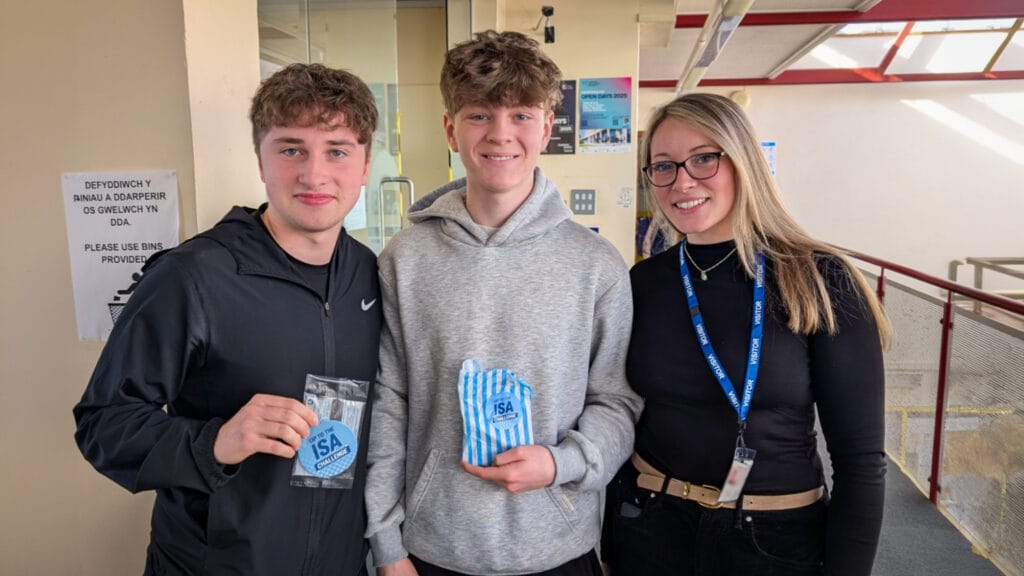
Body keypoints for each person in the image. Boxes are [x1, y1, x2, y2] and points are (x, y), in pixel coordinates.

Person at [73, 63, 382, 576]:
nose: (314, 174)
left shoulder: (369, 275)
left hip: (341, 562)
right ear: (260, 160)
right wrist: (214, 442)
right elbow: (104, 423)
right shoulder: (193, 277)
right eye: (290, 149)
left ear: (365, 164)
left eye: (337, 150)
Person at [364, 30, 642, 576]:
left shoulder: (596, 264)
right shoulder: (405, 257)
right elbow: (388, 402)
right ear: (450, 128)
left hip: (558, 546)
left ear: (546, 127)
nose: (500, 134)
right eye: (478, 115)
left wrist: (562, 463)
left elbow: (618, 402)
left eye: (520, 115)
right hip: (431, 548)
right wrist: (386, 544)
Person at [601, 93, 891, 576]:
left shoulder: (819, 280)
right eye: (664, 166)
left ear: (743, 160)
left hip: (774, 537)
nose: (682, 182)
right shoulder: (643, 283)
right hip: (649, 525)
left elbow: (861, 464)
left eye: (703, 159)